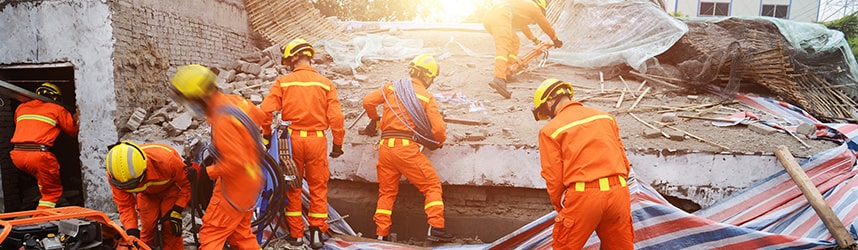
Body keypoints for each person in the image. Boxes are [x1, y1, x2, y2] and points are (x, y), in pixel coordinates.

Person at [170, 64, 268, 250]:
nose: (188, 106)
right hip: (251, 179)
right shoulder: (234, 102)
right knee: (240, 234)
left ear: (199, 97)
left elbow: (236, 162)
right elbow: (261, 115)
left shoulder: (223, 120)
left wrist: (204, 172)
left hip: (234, 185)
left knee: (211, 233)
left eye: (188, 101)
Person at [260, 38, 345, 249]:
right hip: (317, 140)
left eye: (288, 60)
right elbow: (336, 117)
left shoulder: (284, 82)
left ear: (294, 58)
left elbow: (265, 111)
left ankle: (297, 235)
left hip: (291, 142)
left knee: (293, 186)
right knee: (318, 186)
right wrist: (338, 144)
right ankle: (317, 234)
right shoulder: (325, 83)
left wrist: (267, 135)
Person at [360, 54, 453, 243]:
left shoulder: (391, 87)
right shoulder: (426, 96)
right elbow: (438, 129)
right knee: (431, 185)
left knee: (386, 193)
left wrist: (375, 120)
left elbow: (368, 101)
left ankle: (381, 234)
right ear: (427, 76)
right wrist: (438, 142)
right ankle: (436, 227)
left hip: (385, 148)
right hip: (406, 149)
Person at [531, 78, 633, 249]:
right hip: (619, 192)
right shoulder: (606, 117)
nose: (548, 117)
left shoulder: (550, 131)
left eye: (545, 113)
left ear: (549, 102)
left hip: (584, 195)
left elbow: (553, 177)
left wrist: (562, 208)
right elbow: (624, 161)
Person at [105, 141, 191, 249]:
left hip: (170, 189)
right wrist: (132, 231)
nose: (130, 187)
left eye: (132, 184)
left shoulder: (168, 161)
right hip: (146, 194)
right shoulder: (116, 176)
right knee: (148, 227)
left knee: (171, 226)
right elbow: (125, 205)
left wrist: (178, 208)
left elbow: (187, 185)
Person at [10, 82, 78, 210]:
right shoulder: (57, 109)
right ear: (56, 97)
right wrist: (75, 118)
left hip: (17, 155)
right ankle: (41, 218)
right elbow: (73, 132)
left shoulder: (21, 108)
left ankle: (42, 199)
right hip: (38, 156)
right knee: (52, 192)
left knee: (43, 183)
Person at [483, 0, 563, 99]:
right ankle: (499, 77)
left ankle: (507, 72)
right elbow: (545, 24)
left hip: (493, 16)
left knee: (515, 41)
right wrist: (555, 39)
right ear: (540, 6)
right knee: (503, 45)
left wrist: (535, 40)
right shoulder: (534, 7)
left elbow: (524, 27)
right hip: (501, 16)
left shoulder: (523, 7)